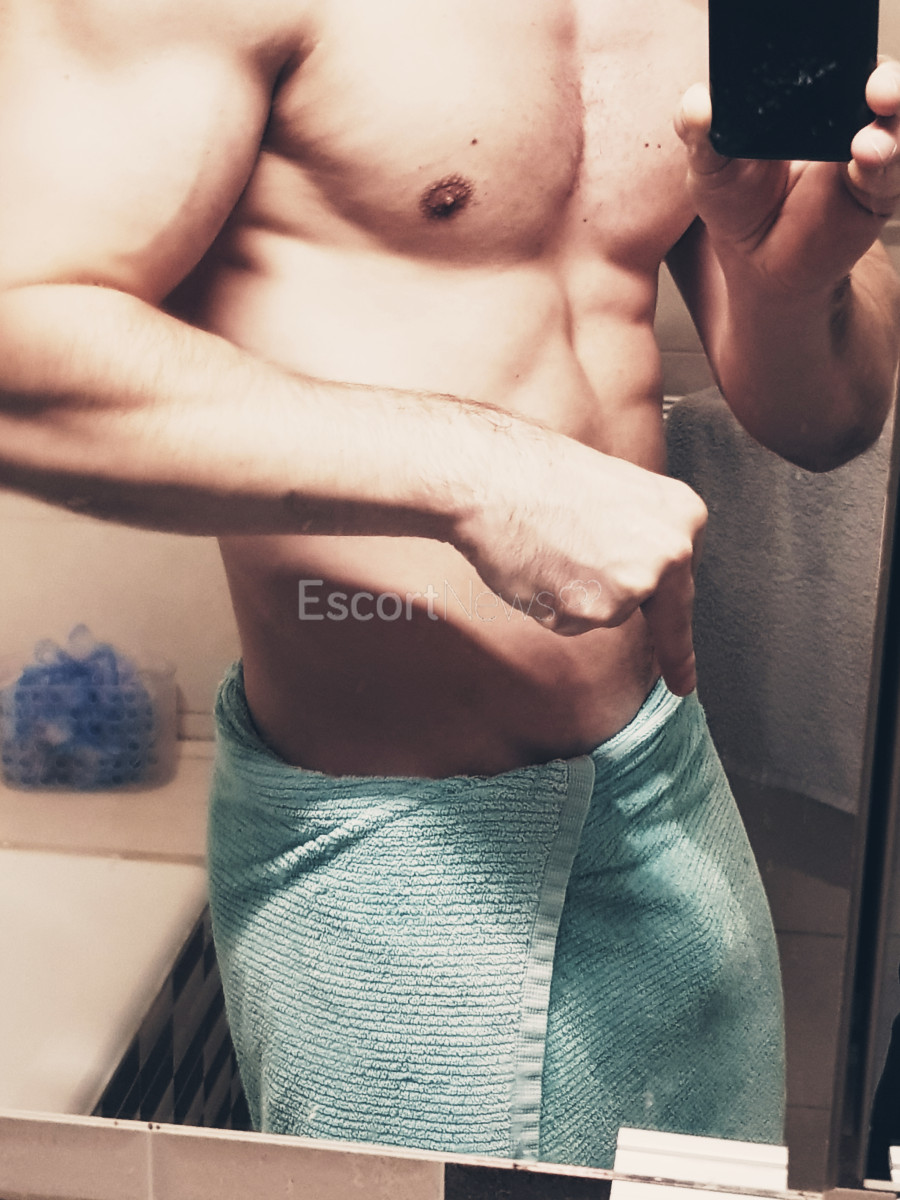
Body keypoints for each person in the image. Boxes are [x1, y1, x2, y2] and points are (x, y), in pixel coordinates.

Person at [2, 0, 899, 1170]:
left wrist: (793, 288)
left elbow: (827, 422)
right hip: (393, 849)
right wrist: (485, 473)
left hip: (669, 783)